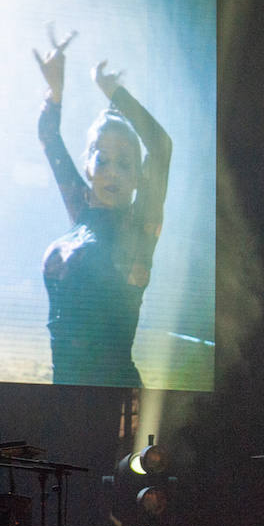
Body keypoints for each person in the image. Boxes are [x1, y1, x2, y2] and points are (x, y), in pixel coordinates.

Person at [35, 27, 172, 387]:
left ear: (139, 177)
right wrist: (56, 91)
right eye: (104, 159)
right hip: (63, 392)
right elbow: (49, 136)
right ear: (88, 166)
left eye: (126, 163)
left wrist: (110, 89)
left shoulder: (140, 226)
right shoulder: (81, 210)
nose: (113, 171)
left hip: (113, 398)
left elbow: (160, 146)